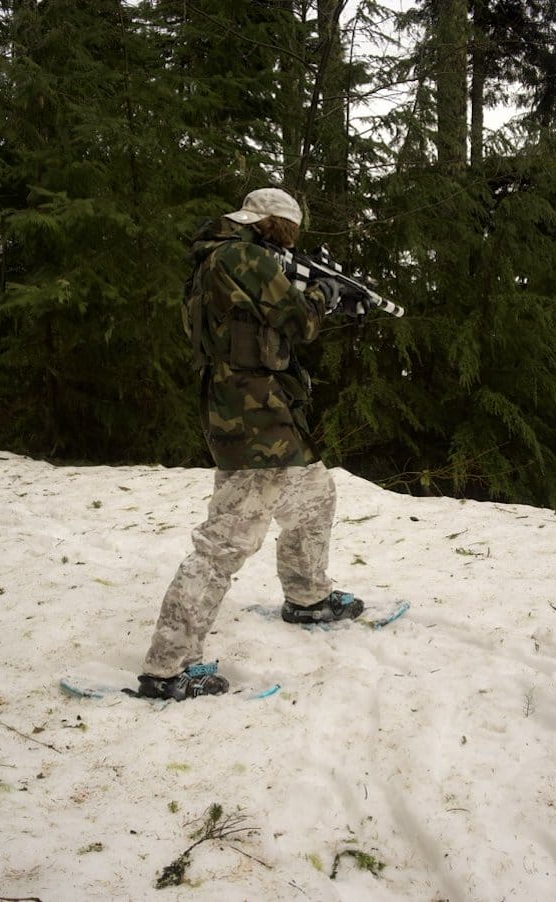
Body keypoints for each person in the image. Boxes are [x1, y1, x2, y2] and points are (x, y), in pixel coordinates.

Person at [138, 187, 365, 702]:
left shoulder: (216, 260)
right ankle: (168, 667)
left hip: (256, 413)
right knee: (224, 543)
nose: (293, 239)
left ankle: (308, 597)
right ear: (273, 224)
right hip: (254, 421)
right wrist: (324, 295)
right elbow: (299, 321)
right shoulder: (243, 256)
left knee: (316, 497)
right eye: (291, 229)